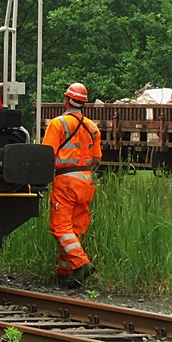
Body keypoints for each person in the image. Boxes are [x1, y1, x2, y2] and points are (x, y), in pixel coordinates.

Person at [42, 82, 102, 288]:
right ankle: (65, 274)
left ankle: (81, 264)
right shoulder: (93, 127)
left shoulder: (58, 124)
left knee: (60, 226)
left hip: (66, 181)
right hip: (86, 183)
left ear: (66, 100)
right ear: (83, 103)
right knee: (73, 230)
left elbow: (46, 155)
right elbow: (96, 158)